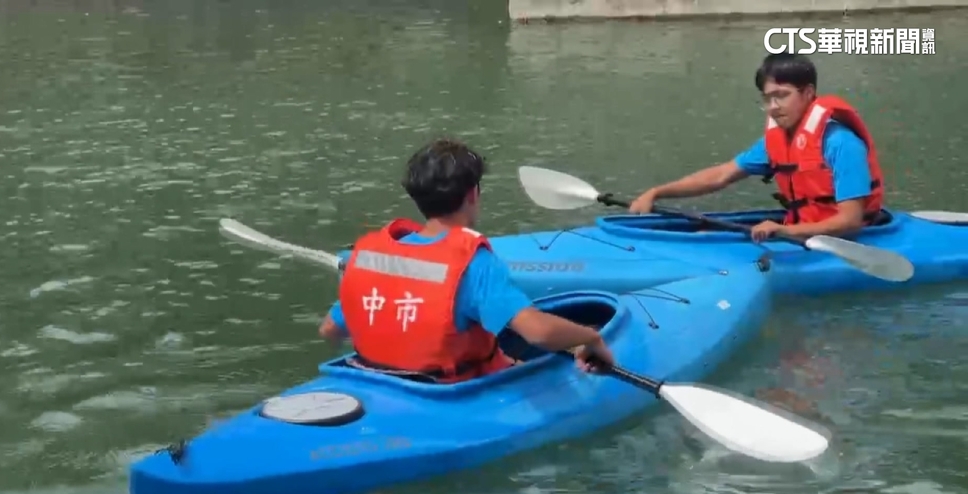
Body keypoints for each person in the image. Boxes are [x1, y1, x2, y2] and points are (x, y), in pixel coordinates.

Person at [318, 137, 616, 383]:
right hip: (448, 391)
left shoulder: (371, 257)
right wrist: (591, 339)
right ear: (473, 194)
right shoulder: (474, 263)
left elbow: (330, 330)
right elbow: (539, 332)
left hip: (373, 380)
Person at [628, 53, 885, 242]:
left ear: (808, 93)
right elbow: (720, 175)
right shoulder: (778, 140)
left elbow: (850, 222)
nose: (773, 106)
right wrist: (657, 192)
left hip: (845, 240)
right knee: (704, 234)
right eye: (767, 98)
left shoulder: (841, 143)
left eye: (782, 95)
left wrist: (784, 230)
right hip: (798, 231)